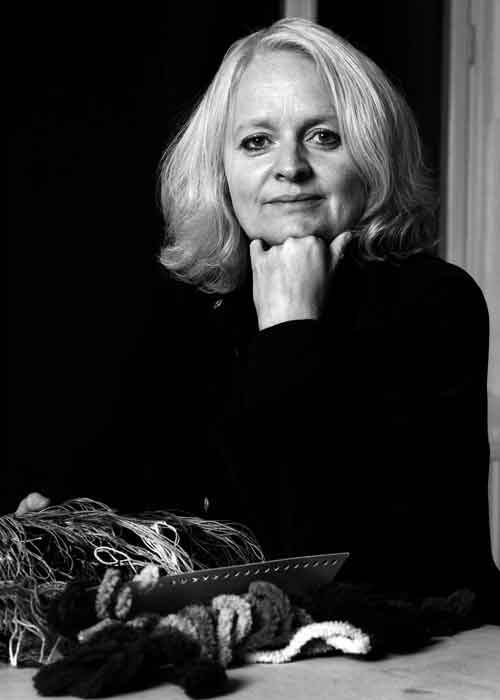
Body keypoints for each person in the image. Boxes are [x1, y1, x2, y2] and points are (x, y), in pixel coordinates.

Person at [17, 19, 498, 599]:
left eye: (324, 136)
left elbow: (334, 557)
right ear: (221, 169)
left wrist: (291, 331)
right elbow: (139, 493)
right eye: (257, 141)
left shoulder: (436, 302)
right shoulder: (194, 309)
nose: (290, 166)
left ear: (373, 158)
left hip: (418, 640)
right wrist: (63, 521)